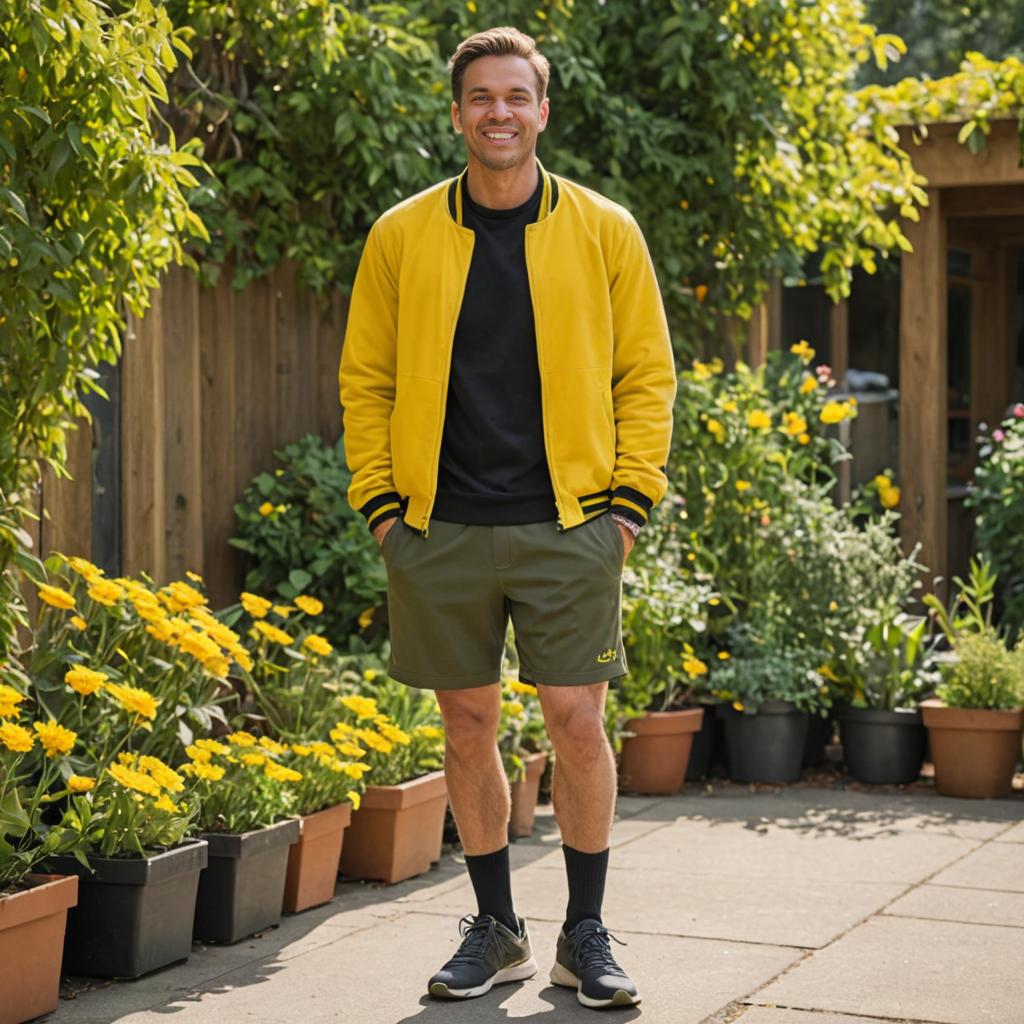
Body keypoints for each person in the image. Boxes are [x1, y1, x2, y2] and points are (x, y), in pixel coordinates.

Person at [339, 25, 675, 1010]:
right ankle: (496, 929)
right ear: (456, 114)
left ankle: (585, 932)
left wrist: (624, 507)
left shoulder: (605, 229)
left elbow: (645, 377)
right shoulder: (401, 235)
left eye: (515, 96)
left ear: (542, 110)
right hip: (436, 525)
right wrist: (382, 510)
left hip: (571, 520)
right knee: (468, 720)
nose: (498, 112)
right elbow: (364, 379)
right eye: (480, 97)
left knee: (575, 721)